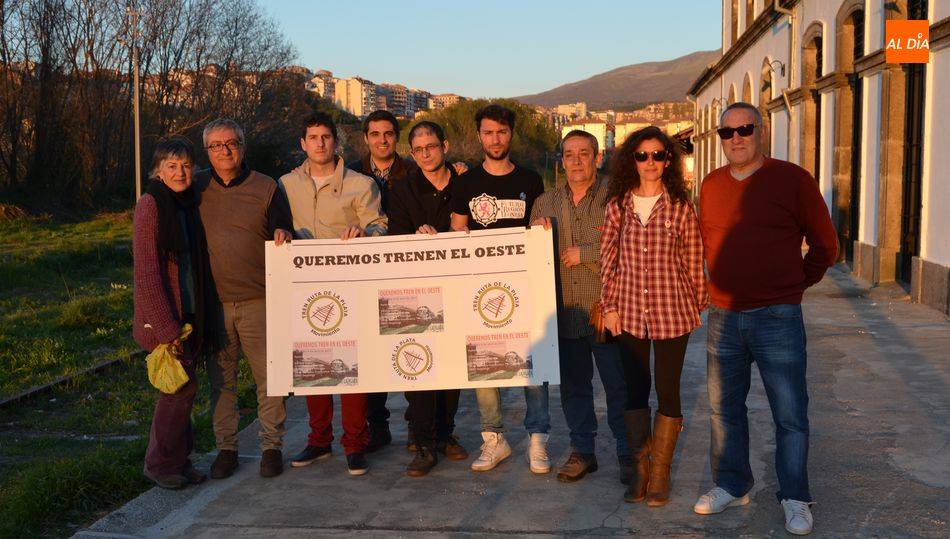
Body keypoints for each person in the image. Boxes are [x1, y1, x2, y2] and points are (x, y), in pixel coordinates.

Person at [693, 102, 837, 536]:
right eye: (727, 132)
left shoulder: (793, 180)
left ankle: (795, 497)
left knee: (790, 413)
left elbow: (826, 246)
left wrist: (794, 286)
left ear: (762, 131)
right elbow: (702, 243)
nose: (736, 138)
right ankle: (732, 485)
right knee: (724, 410)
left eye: (745, 129)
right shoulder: (711, 184)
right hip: (723, 316)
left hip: (778, 315)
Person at [600, 126, 707, 506]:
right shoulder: (617, 206)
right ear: (632, 160)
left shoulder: (680, 206)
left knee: (668, 390)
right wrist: (608, 306)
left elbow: (693, 258)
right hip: (628, 312)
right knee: (634, 391)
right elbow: (608, 261)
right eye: (642, 155)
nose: (650, 162)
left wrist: (697, 302)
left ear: (668, 160)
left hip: (671, 311)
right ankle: (640, 470)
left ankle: (661, 473)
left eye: (658, 155)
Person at [280, 112, 387, 475]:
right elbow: (275, 224)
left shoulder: (361, 184)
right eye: (313, 137)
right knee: (313, 365)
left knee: (352, 368)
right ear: (303, 143)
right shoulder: (284, 185)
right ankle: (319, 440)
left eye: (326, 137)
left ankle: (355, 444)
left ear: (335, 142)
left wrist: (365, 234)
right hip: (303, 288)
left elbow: (379, 227)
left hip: (350, 287)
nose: (320, 143)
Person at [450, 103, 550, 473]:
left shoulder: (530, 180)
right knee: (484, 365)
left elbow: (538, 229)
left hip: (524, 288)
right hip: (480, 290)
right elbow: (457, 232)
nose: (495, 139)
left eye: (502, 132)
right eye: (489, 132)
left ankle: (538, 438)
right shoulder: (466, 183)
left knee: (532, 361)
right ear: (479, 136)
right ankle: (494, 439)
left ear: (512, 135)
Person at [529, 130, 631, 484]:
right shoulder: (545, 203)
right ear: (561, 160)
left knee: (618, 386)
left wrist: (585, 254)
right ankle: (583, 451)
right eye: (569, 154)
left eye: (583, 153)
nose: (575, 161)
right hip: (566, 311)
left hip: (607, 311)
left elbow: (630, 249)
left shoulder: (617, 196)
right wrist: (536, 236)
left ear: (597, 156)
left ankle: (627, 452)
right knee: (575, 388)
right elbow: (532, 259)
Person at [196, 118, 293, 479]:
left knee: (270, 379)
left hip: (259, 300)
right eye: (216, 145)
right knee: (222, 382)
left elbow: (284, 228)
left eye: (231, 143)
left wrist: (284, 231)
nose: (224, 151)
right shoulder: (195, 185)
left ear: (243, 146)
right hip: (215, 304)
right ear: (207, 151)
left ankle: (271, 446)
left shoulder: (267, 187)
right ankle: (227, 448)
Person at [387, 120, 469, 476]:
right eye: (418, 150)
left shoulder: (467, 183)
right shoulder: (401, 189)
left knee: (453, 368)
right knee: (419, 369)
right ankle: (422, 444)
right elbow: (394, 240)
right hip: (417, 293)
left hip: (459, 290)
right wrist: (413, 238)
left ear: (445, 146)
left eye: (431, 147)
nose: (425, 154)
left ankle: (446, 435)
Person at [133, 137, 212, 489]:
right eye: (171, 166)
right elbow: (148, 274)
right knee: (176, 392)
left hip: (190, 313)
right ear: (157, 171)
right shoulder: (151, 205)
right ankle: (160, 465)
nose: (180, 172)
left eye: (185, 165)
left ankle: (180, 461)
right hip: (166, 322)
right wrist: (167, 330)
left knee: (187, 390)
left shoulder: (187, 203)